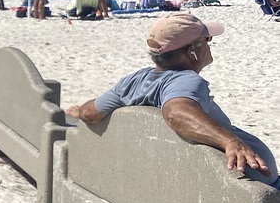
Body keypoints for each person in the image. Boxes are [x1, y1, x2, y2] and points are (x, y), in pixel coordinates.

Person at [66, 12, 277, 186]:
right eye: (207, 40)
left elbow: (89, 113)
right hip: (252, 191)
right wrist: (230, 141)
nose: (210, 44)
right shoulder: (185, 81)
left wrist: (78, 110)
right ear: (192, 50)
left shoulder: (132, 82)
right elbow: (176, 113)